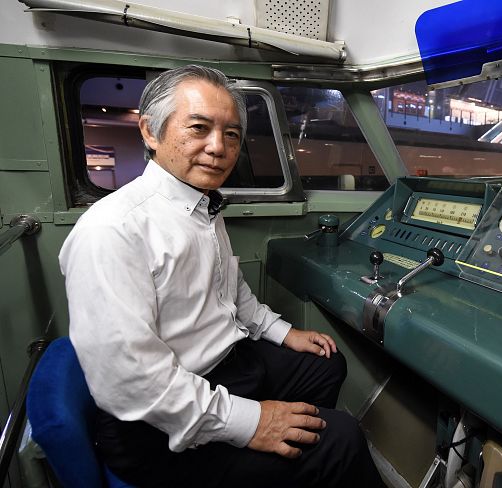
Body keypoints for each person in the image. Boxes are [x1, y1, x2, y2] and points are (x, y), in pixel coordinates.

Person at [59, 65, 385, 487]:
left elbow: (228, 287)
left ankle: (290, 469)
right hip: (156, 425)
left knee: (325, 364)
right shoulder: (112, 230)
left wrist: (283, 332)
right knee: (341, 438)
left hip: (229, 363)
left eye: (231, 134)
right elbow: (133, 384)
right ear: (150, 132)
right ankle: (298, 454)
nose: (218, 147)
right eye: (199, 128)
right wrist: (252, 423)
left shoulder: (200, 203)